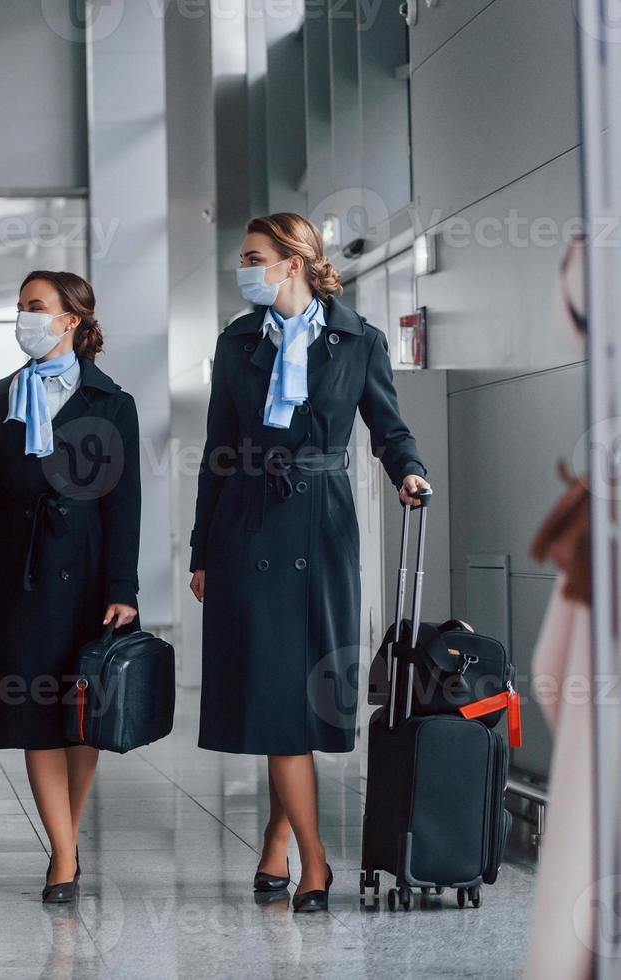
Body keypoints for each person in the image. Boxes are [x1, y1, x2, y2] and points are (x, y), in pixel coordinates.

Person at [188, 212, 431, 912]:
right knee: (276, 696)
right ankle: (315, 863)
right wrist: (204, 548)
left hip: (322, 528)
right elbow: (215, 453)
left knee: (302, 698)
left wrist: (407, 471)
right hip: (247, 528)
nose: (245, 267)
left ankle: (274, 843)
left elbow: (389, 427)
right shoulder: (235, 343)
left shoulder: (358, 340)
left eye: (254, 256)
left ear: (293, 263)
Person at [0, 271, 140, 904]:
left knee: (81, 715)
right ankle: (63, 853)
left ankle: (65, 839)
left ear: (71, 320)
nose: (23, 318)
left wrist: (123, 585)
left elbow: (125, 502)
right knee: (36, 714)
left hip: (92, 574)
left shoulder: (112, 401)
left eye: (34, 307)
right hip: (23, 574)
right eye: (19, 307)